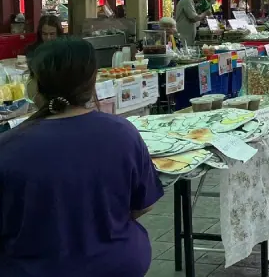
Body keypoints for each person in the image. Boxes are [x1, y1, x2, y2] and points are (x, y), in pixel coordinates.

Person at [0, 37, 163, 276]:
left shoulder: (9, 146)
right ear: (91, 82)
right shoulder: (122, 133)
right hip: (118, 264)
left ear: (36, 84)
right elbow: (143, 205)